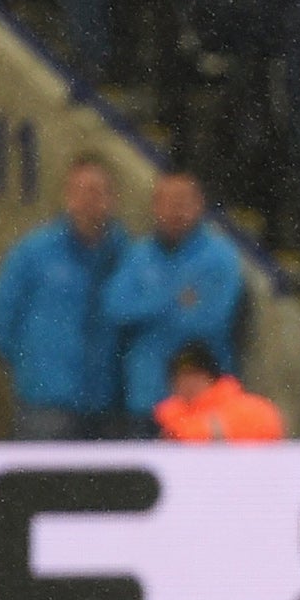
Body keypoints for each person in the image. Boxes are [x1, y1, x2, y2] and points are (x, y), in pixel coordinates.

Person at [0, 153, 130, 440]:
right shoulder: (33, 253)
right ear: (68, 196)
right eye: (81, 191)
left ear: (112, 199)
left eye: (98, 192)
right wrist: (34, 368)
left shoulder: (129, 256)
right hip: (46, 405)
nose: (89, 201)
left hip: (108, 406)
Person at [102, 172, 244, 426]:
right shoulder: (139, 255)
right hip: (147, 397)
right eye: (168, 202)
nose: (175, 210)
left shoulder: (220, 257)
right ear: (155, 206)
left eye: (183, 202)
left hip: (203, 401)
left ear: (199, 205)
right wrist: (172, 299)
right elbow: (115, 308)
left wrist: (146, 309)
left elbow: (210, 320)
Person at [155, 342, 283, 441]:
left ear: (212, 378)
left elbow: (269, 429)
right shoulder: (164, 415)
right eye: (182, 377)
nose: (189, 383)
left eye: (196, 375)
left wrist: (194, 433)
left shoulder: (247, 407)